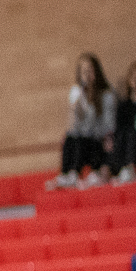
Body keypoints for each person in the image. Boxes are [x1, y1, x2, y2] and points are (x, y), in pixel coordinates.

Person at [49, 52, 117, 189]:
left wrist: (92, 107)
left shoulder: (107, 94)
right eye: (83, 71)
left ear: (96, 71)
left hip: (99, 140)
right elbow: (73, 128)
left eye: (89, 70)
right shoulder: (77, 94)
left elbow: (109, 127)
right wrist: (77, 107)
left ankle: (86, 172)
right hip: (84, 141)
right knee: (70, 138)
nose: (86, 74)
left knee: (85, 139)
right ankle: (69, 174)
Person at [113, 61, 136, 183]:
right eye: (133, 76)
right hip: (127, 141)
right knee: (124, 135)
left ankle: (131, 168)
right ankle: (122, 170)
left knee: (132, 134)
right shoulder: (123, 106)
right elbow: (118, 128)